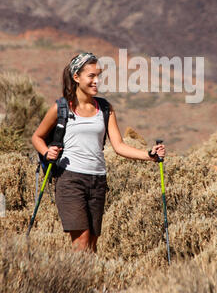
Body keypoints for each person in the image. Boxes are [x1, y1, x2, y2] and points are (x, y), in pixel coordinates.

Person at [31, 52, 166, 253]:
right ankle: (77, 283)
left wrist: (149, 155)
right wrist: (46, 151)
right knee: (82, 241)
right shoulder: (61, 108)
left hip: (98, 180)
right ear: (76, 77)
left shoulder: (104, 108)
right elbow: (37, 137)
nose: (97, 81)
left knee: (93, 243)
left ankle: (90, 281)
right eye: (91, 76)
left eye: (98, 76)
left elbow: (119, 146)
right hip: (70, 179)